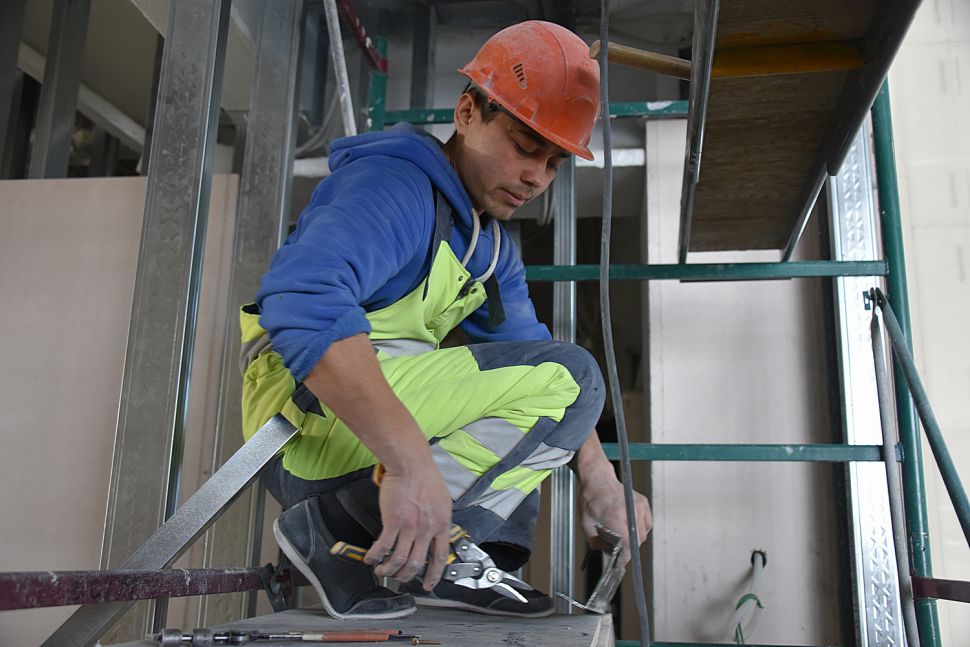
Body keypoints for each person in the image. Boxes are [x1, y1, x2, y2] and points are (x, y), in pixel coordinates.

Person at [239, 20, 652, 620]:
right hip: (305, 422)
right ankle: (340, 528)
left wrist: (600, 479)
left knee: (535, 420)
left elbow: (530, 357)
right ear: (467, 113)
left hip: (355, 431)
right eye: (524, 146)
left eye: (555, 163)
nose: (537, 177)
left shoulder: (490, 247)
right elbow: (301, 301)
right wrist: (409, 461)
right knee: (576, 376)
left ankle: (452, 558)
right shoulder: (394, 186)